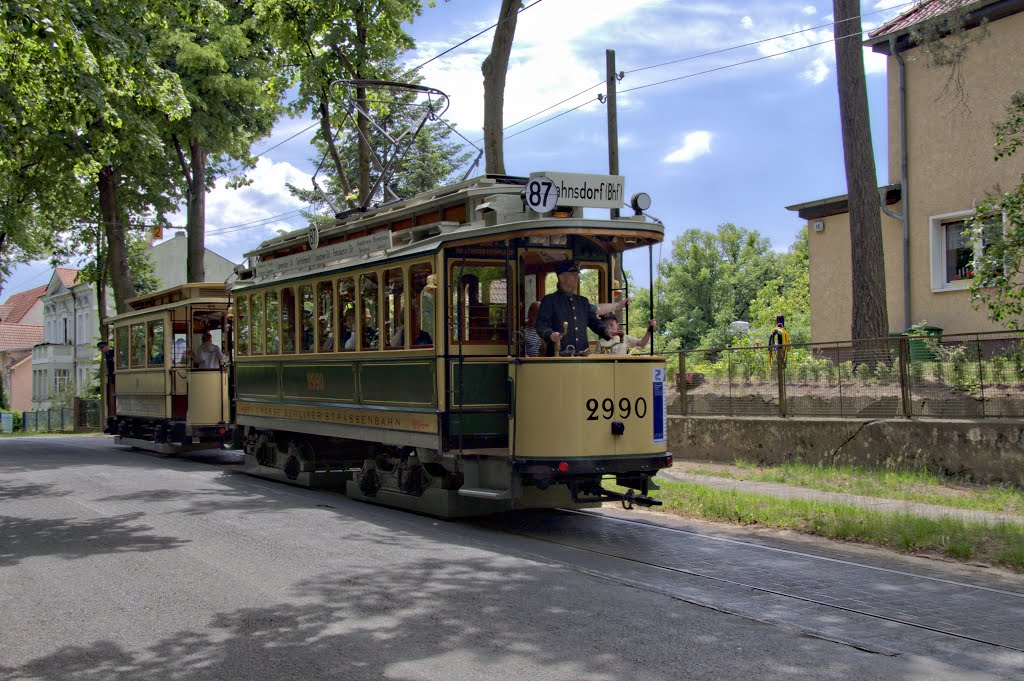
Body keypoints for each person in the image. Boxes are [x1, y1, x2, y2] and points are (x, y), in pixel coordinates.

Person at [535, 260, 613, 356]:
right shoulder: (550, 300)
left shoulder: (583, 301)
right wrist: (550, 334)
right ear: (562, 277)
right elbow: (541, 325)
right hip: (558, 357)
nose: (577, 277)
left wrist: (606, 331)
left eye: (577, 274)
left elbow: (594, 322)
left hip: (583, 355)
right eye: (573, 274)